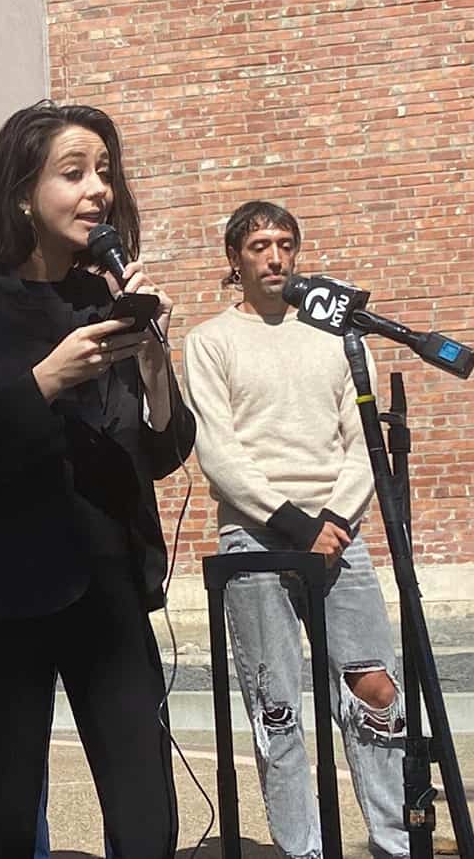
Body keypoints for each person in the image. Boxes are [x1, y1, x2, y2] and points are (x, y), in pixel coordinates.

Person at [0, 101, 195, 858]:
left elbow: (158, 453)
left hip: (111, 594)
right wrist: (44, 382)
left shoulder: (106, 302)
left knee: (147, 823)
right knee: (5, 826)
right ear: (22, 192)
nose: (98, 189)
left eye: (105, 171)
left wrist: (157, 361)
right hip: (1, 602)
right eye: (74, 172)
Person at [183, 201, 409, 859]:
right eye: (259, 246)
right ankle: (300, 849)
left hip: (340, 536)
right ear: (235, 259)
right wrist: (291, 525)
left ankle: (394, 840)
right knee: (275, 703)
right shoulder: (209, 341)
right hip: (254, 538)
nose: (275, 257)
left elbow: (362, 441)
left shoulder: (340, 337)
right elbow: (218, 451)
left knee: (375, 689)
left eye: (285, 244)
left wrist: (335, 522)